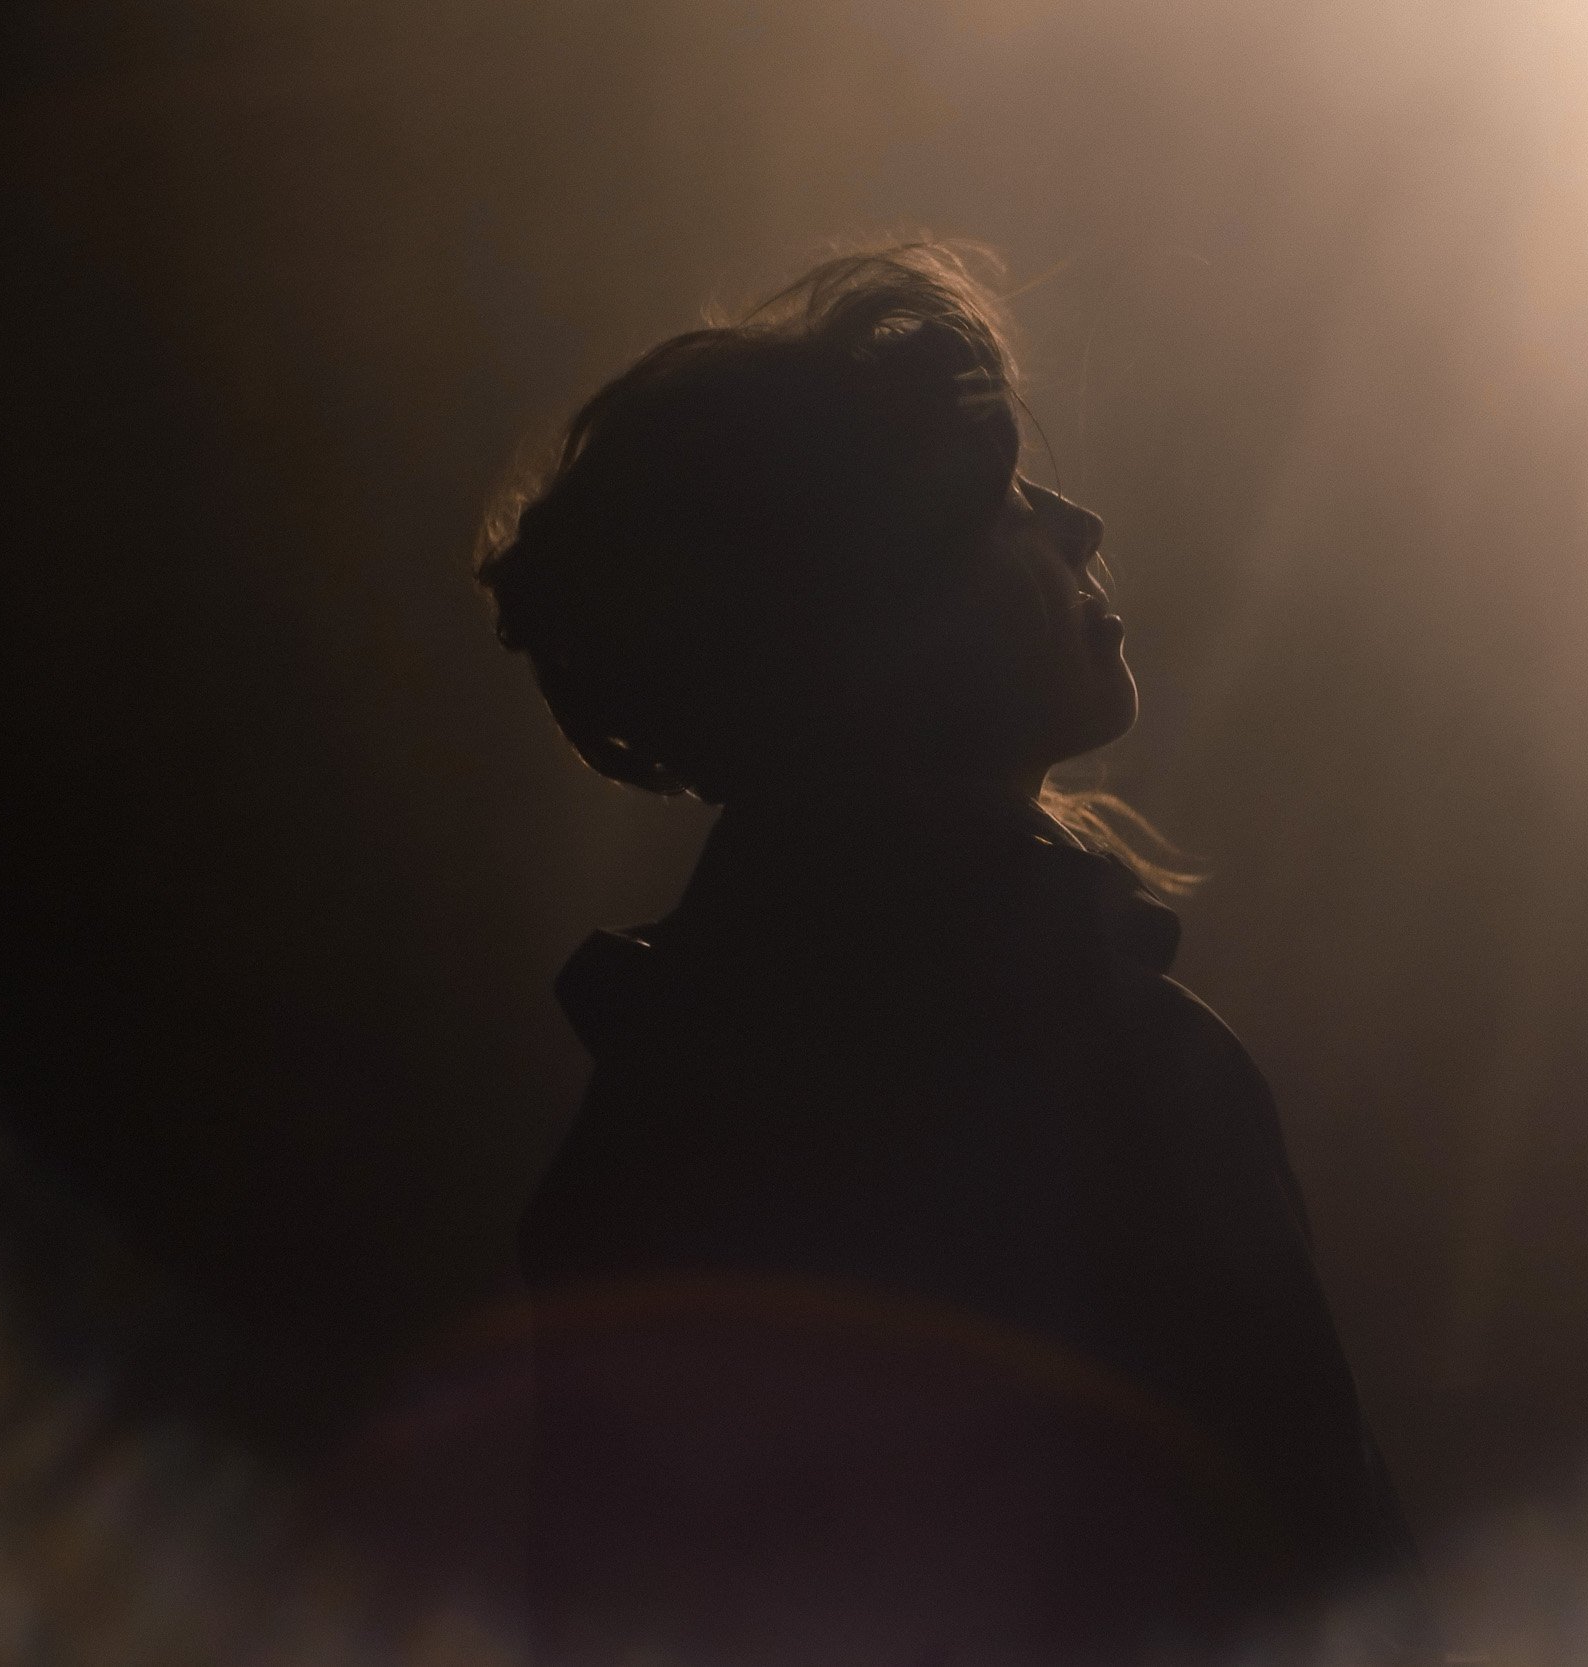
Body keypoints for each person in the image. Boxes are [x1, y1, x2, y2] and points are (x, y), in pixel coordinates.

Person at [475, 243, 1434, 1666]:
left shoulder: (658, 1109)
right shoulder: (1116, 1069)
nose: (1080, 518)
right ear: (864, 627)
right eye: (994, 506)